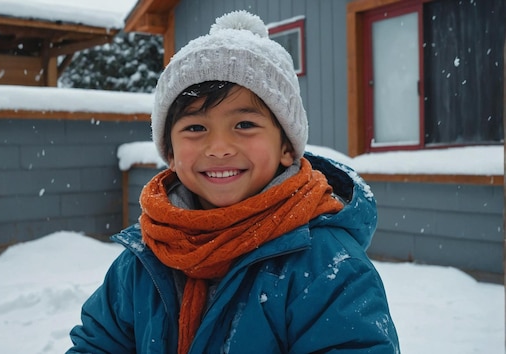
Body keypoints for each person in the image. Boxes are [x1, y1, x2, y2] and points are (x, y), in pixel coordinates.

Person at [67, 10, 399, 354]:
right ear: (170, 153)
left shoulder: (328, 268)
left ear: (287, 147)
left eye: (244, 125)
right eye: (196, 128)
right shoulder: (144, 260)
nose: (220, 148)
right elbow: (98, 345)